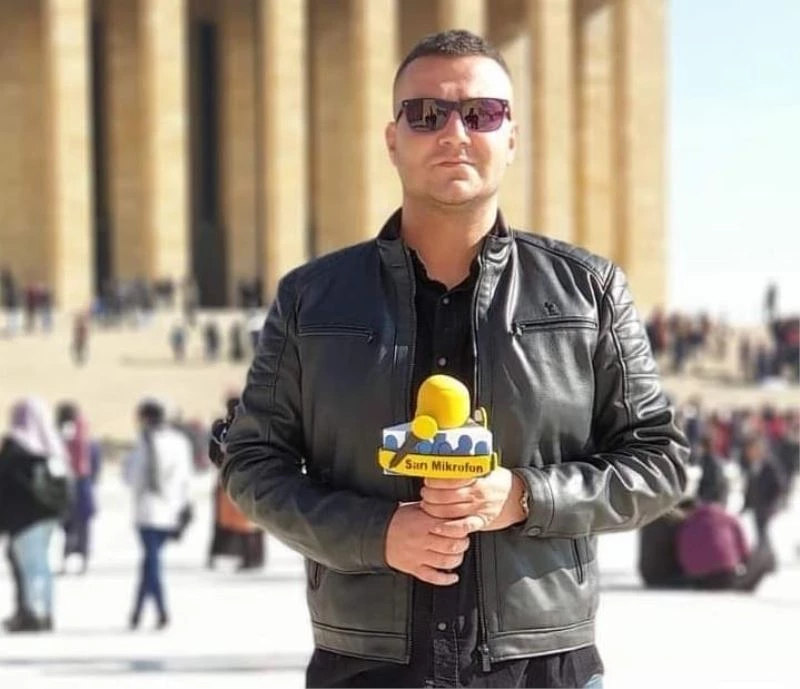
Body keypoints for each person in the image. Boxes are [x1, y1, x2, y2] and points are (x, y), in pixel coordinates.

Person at [219, 30, 689, 689]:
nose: (454, 133)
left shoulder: (588, 292)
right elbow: (251, 462)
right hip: (367, 667)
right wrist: (376, 533)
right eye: (425, 114)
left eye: (481, 113)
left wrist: (525, 496)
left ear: (511, 136)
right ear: (392, 140)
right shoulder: (313, 300)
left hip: (539, 668)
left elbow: (660, 462)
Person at [0, 398, 71, 632]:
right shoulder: (52, 447)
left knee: (30, 566)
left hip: (23, 519)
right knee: (42, 565)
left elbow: (5, 486)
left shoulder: (15, 449)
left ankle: (33, 613)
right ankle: (45, 611)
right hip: (49, 517)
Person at [123, 399, 193, 630]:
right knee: (149, 562)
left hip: (149, 511)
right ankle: (137, 612)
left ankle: (161, 611)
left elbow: (134, 477)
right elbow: (185, 478)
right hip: (171, 511)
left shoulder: (146, 442)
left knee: (151, 563)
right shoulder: (180, 442)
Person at [56, 402, 101, 574]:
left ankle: (66, 561)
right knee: (84, 528)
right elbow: (95, 468)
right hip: (84, 486)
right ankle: (83, 562)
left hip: (65, 486)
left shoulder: (59, 439)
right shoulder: (89, 441)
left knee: (68, 528)